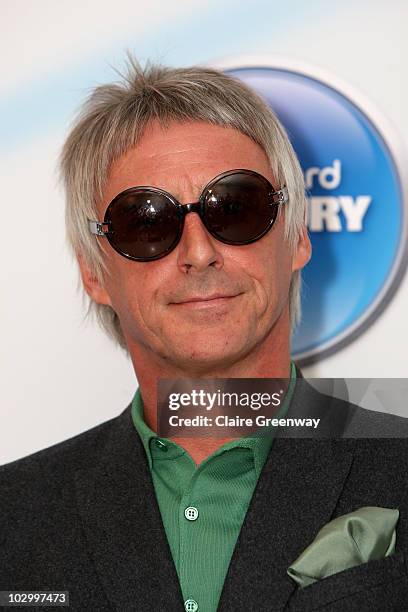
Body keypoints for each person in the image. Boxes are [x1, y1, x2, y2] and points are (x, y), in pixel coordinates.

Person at [1, 58, 408, 612]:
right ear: (94, 273)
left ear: (297, 236)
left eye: (235, 208)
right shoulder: (12, 517)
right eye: (146, 221)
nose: (198, 253)